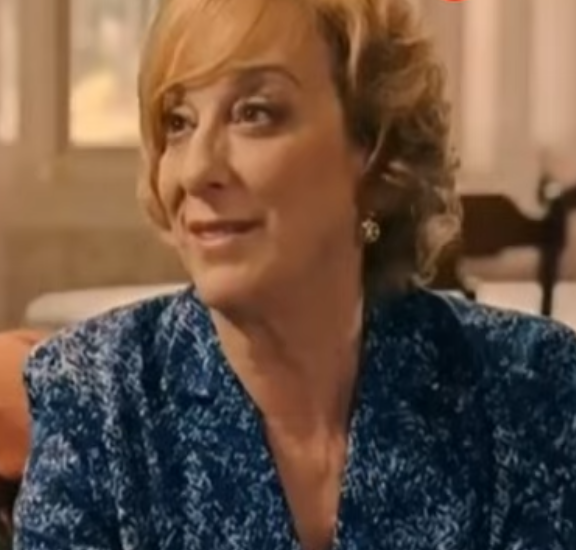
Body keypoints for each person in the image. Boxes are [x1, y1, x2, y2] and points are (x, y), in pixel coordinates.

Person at [13, 0, 576, 548]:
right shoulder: (96, 398)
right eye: (178, 123)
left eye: (254, 113)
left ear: (374, 154)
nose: (197, 169)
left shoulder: (527, 388)